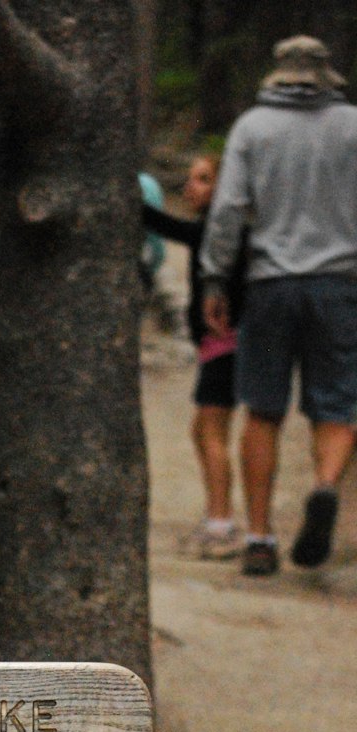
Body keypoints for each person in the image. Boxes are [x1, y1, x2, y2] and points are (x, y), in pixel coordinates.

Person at [200, 35, 357, 576]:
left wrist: (216, 278)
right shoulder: (354, 126)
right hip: (340, 285)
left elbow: (227, 211)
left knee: (263, 409)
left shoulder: (253, 127)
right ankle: (324, 487)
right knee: (337, 406)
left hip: (270, 285)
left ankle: (261, 539)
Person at [143, 154, 248, 559]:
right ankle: (215, 516)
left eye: (202, 179)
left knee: (211, 432)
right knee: (201, 431)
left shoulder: (222, 233)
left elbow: (168, 226)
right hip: (215, 347)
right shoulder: (214, 230)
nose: (190, 187)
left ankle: (222, 524)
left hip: (227, 346)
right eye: (190, 179)